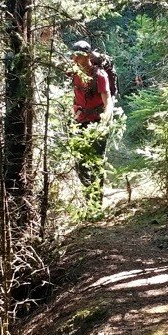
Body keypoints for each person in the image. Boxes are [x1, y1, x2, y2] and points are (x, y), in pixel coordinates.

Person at [70, 40, 114, 209]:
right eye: (74, 55)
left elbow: (107, 100)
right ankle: (89, 200)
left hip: (97, 122)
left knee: (96, 162)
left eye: (79, 56)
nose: (75, 59)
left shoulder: (99, 75)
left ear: (88, 56)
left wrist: (104, 122)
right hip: (79, 121)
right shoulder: (74, 73)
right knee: (80, 162)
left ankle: (96, 204)